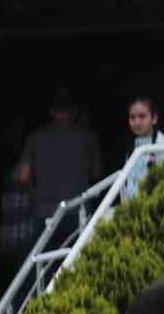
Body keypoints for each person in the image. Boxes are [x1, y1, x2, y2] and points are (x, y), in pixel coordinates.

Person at [18, 86, 103, 236]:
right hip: (78, 211)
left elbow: (23, 176)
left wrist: (35, 197)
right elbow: (96, 173)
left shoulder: (35, 138)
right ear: (75, 111)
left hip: (45, 212)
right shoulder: (88, 137)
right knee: (75, 258)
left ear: (51, 111)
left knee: (45, 258)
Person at [122, 96, 164, 203]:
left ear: (154, 118)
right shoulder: (133, 148)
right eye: (132, 117)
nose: (136, 122)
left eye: (142, 116)